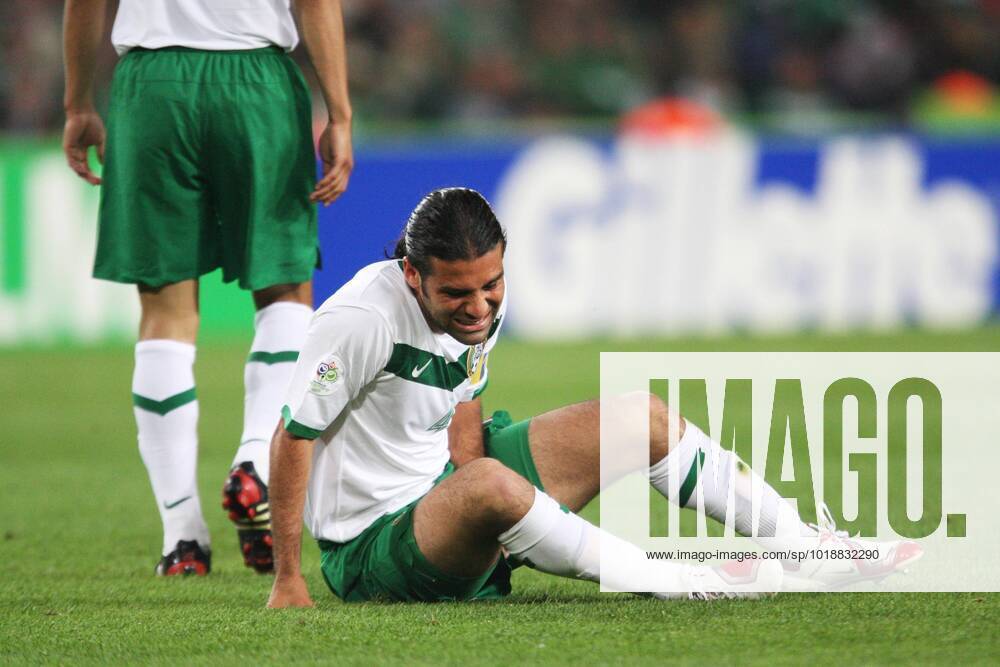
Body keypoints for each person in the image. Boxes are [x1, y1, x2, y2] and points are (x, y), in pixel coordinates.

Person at [266, 188, 922, 607]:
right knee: (491, 484)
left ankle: (810, 550)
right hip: (372, 549)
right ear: (412, 272)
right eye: (457, 294)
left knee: (644, 416)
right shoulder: (361, 319)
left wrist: (478, 505)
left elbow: (462, 400)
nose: (479, 306)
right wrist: (288, 578)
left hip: (446, 497)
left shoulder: (484, 301)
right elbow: (292, 435)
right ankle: (675, 579)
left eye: (490, 285)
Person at [62, 0, 354, 576]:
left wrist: (76, 103)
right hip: (257, 82)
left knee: (165, 315)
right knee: (284, 294)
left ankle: (182, 538)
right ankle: (254, 465)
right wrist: (340, 114)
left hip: (153, 85)